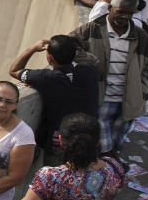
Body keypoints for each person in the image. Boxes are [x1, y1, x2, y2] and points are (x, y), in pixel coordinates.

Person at [68, 0, 148, 159]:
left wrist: (145, 90)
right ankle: (109, 169)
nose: (125, 17)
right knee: (104, 146)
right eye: (121, 11)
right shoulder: (92, 29)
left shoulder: (140, 36)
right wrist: (92, 62)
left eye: (130, 13)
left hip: (129, 99)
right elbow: (67, 45)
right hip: (102, 98)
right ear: (110, 8)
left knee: (117, 142)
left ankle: (110, 169)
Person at [9, 36, 99, 164]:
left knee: (57, 178)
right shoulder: (89, 71)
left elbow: (14, 70)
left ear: (50, 58)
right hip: (89, 140)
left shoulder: (47, 78)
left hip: (60, 144)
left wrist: (33, 48)